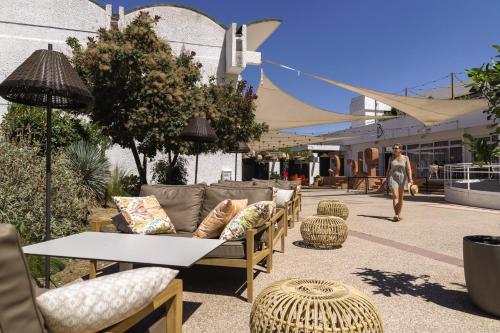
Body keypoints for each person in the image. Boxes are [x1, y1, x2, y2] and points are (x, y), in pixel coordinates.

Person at [386, 143, 413, 221]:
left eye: (396, 148)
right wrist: (386, 179)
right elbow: (388, 169)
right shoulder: (391, 158)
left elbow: (408, 169)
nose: (394, 149)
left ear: (400, 149)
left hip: (403, 178)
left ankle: (398, 214)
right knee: (395, 196)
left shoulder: (405, 158)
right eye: (393, 148)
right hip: (393, 178)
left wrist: (410, 179)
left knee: (401, 198)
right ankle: (396, 214)